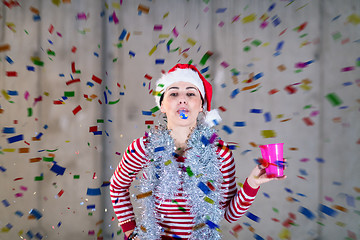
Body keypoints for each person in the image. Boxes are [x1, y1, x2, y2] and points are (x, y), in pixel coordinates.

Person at [110, 64, 286, 240]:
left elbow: (228, 214)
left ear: (202, 105)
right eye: (173, 93)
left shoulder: (219, 153)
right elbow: (117, 186)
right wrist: (131, 233)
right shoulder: (144, 147)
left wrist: (252, 183)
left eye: (191, 93)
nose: (182, 99)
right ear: (162, 105)